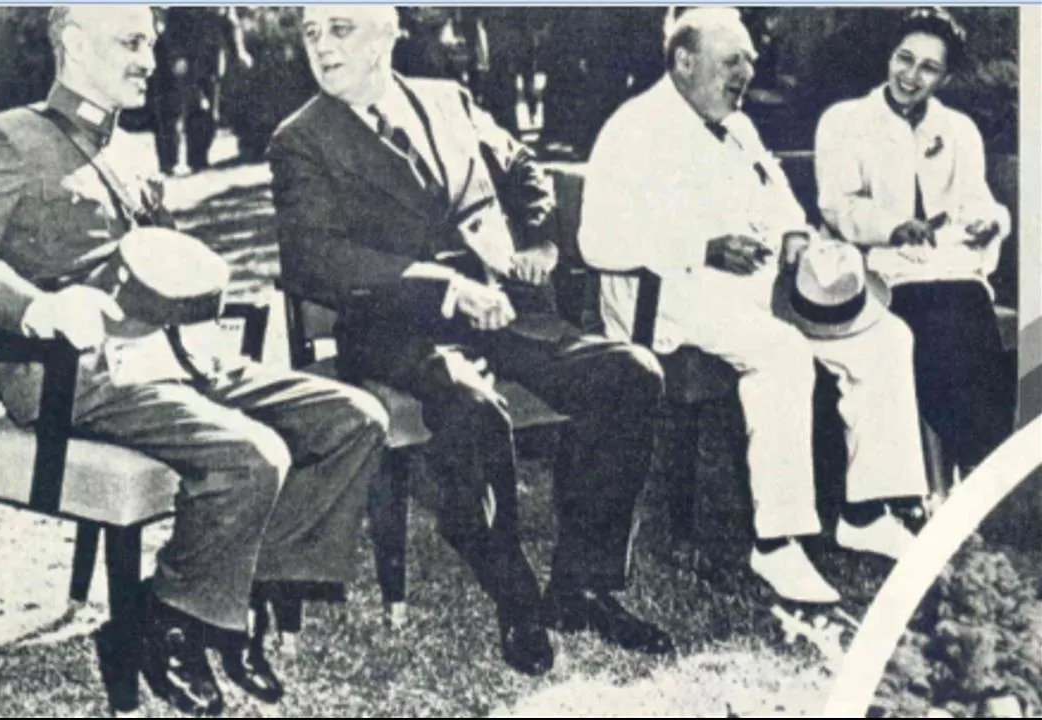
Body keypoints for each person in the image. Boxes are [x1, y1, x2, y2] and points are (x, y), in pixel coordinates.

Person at [0, 7, 388, 716]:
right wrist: (38, 308)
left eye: (151, 42)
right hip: (77, 372)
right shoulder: (7, 137)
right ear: (75, 43)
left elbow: (163, 262)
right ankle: (168, 625)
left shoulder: (131, 149)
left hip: (175, 353)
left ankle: (214, 604)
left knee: (355, 418)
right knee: (253, 454)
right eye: (130, 43)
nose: (149, 59)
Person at [268, 5, 674, 678]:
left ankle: (583, 585)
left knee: (630, 373)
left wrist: (539, 237)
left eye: (340, 28)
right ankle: (514, 593)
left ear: (387, 32)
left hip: (500, 309)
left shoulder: (448, 99)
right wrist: (443, 288)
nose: (322, 46)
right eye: (312, 33)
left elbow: (522, 168)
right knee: (474, 408)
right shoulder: (301, 139)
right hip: (394, 328)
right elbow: (316, 259)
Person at [580, 7, 930, 606]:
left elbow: (779, 198)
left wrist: (793, 232)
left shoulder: (737, 126)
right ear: (684, 61)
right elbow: (597, 242)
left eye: (749, 60)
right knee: (782, 352)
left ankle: (867, 512)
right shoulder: (633, 128)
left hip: (752, 292)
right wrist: (703, 246)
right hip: (667, 299)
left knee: (886, 337)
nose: (746, 72)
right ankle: (777, 544)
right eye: (731, 61)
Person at [814, 7, 1015, 478]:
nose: (911, 75)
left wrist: (988, 224)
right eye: (904, 59)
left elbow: (978, 201)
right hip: (878, 270)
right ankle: (969, 472)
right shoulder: (845, 121)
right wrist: (893, 227)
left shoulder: (958, 130)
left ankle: (982, 470)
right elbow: (838, 206)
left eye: (928, 68)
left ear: (945, 78)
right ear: (890, 56)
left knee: (968, 314)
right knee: (943, 323)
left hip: (951, 270)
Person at [151, 6, 253, 175]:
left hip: (209, 61)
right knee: (171, 112)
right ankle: (168, 163)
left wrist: (240, 52)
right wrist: (176, 55)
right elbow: (170, 22)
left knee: (207, 114)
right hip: (178, 60)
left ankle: (198, 160)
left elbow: (230, 24)